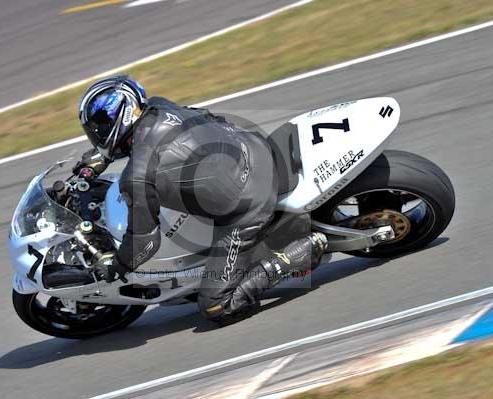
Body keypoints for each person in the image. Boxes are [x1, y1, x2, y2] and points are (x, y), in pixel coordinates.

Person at [76, 75, 326, 325]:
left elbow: (145, 244)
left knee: (217, 305)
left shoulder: (137, 177)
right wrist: (99, 161)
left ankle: (299, 254)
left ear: (122, 115)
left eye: (99, 126)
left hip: (246, 207)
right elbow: (205, 117)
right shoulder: (159, 107)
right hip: (252, 148)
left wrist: (116, 267)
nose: (97, 133)